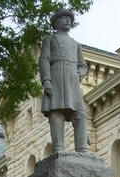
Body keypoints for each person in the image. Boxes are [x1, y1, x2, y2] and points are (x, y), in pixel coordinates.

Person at [38, 8, 88, 153]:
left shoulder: (75, 43)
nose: (68, 21)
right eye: (64, 18)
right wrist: (46, 80)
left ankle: (82, 149)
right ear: (56, 22)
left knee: (80, 114)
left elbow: (83, 65)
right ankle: (58, 148)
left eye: (70, 18)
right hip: (57, 77)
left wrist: (79, 74)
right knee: (56, 113)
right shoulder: (50, 39)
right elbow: (44, 60)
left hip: (72, 80)